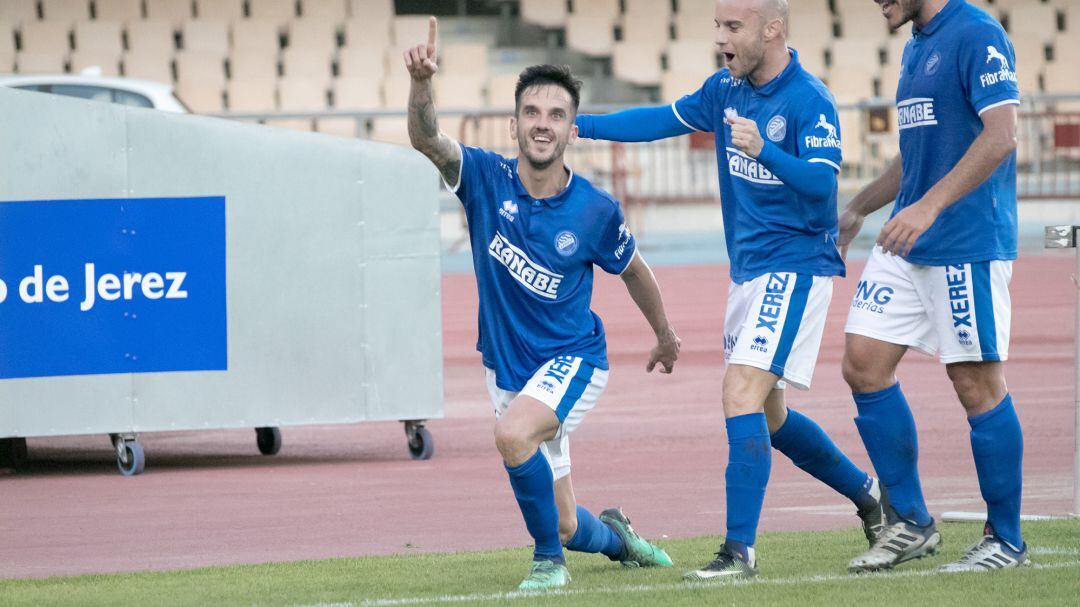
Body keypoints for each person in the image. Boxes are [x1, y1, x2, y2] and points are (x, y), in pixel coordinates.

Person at [575, 0, 887, 580]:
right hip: (749, 272)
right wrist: (582, 126)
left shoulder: (809, 100)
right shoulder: (725, 89)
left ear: (772, 29)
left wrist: (764, 149)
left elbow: (823, 187)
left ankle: (738, 552)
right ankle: (872, 499)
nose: (721, 37)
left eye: (732, 26)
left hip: (794, 266)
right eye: (717, 25)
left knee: (739, 390)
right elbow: (662, 119)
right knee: (770, 419)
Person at [404, 17, 681, 591]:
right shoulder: (483, 176)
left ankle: (548, 565)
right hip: (507, 366)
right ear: (515, 124)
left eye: (556, 115)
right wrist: (422, 84)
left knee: (512, 436)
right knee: (563, 519)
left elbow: (634, 270)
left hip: (573, 360)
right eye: (532, 113)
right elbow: (427, 139)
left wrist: (665, 334)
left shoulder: (595, 210)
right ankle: (620, 540)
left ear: (573, 129)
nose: (543, 124)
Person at [840, 0, 1026, 573]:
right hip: (908, 240)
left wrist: (927, 207)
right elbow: (917, 154)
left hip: (965, 241)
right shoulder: (916, 43)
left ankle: (1007, 540)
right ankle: (913, 522)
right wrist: (860, 207)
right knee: (863, 362)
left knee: (975, 384)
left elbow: (1002, 135)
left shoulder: (976, 32)